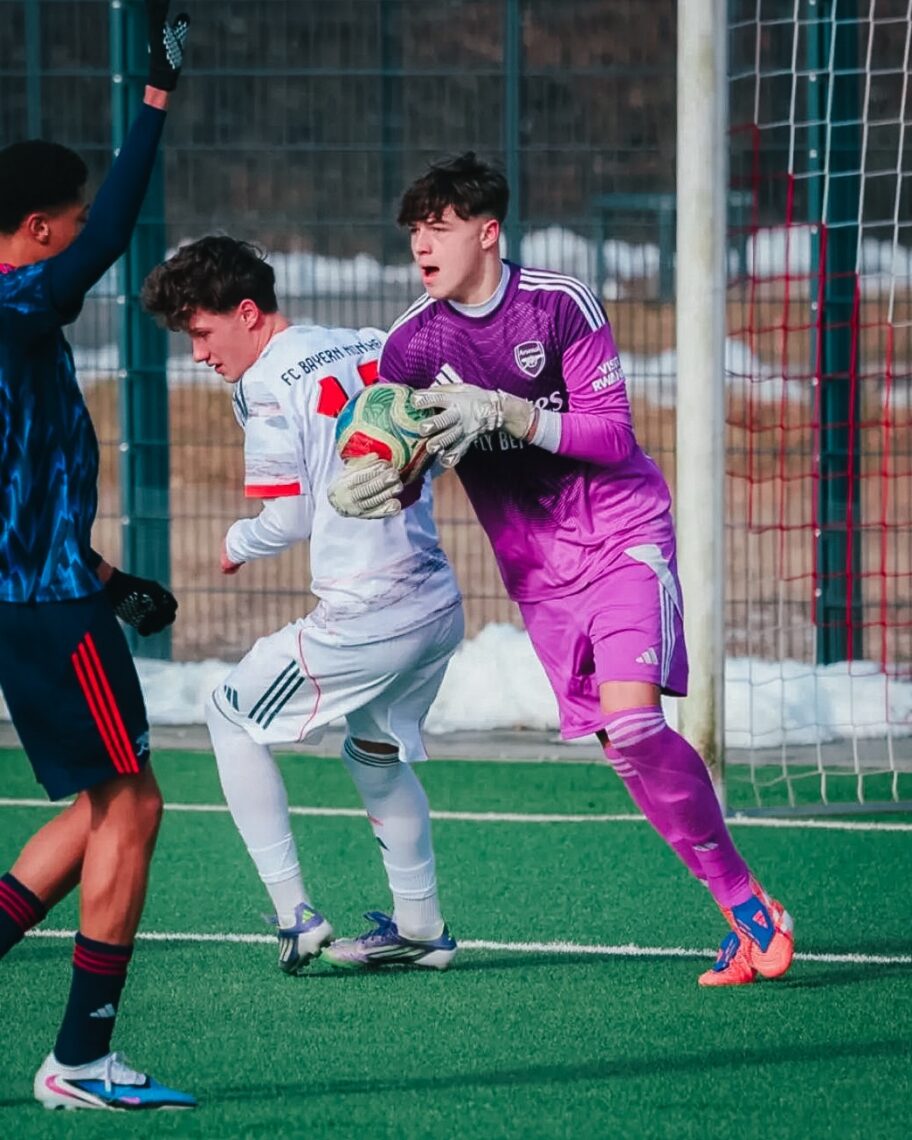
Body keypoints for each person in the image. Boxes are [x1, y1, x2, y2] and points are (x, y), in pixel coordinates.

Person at [328, 152, 794, 987]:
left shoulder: (557, 304)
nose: (422, 247)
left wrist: (511, 412)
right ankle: (739, 905)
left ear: (487, 232)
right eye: (414, 233)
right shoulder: (410, 344)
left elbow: (612, 434)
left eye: (438, 229)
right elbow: (405, 462)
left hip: (620, 534)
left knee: (637, 723)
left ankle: (744, 900)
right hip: (537, 573)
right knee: (624, 750)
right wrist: (376, 488)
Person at [140, 235, 464, 975]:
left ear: (247, 313)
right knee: (374, 754)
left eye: (202, 333)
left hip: (368, 615)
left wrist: (236, 542)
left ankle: (295, 916)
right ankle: (421, 929)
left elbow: (286, 519)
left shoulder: (264, 383)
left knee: (229, 715)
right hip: (436, 601)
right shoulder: (370, 342)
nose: (198, 354)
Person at [0, 2, 197, 1111]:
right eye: (66, 225)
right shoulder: (11, 302)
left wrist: (113, 583)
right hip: (43, 608)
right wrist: (157, 98)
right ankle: (80, 1060)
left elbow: (21, 493)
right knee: (134, 808)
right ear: (35, 229)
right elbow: (113, 232)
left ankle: (80, 1056)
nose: (80, 237)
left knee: (95, 806)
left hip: (46, 596)